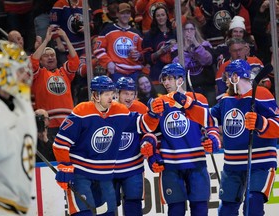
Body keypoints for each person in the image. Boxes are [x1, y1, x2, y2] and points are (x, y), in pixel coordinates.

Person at [52, 75, 165, 216]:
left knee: (108, 213)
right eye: (107, 95)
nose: (111, 98)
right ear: (95, 95)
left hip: (105, 175)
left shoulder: (119, 110)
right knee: (83, 213)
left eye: (112, 94)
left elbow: (143, 125)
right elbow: (61, 143)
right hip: (81, 172)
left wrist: (153, 114)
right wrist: (64, 166)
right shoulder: (81, 112)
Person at [140, 63, 221, 216]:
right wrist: (153, 155)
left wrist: (213, 140)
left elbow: (210, 126)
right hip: (171, 165)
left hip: (196, 163)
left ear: (180, 80)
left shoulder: (198, 99)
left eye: (170, 78)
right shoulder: (158, 103)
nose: (166, 82)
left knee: (200, 209)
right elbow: (152, 134)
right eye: (164, 79)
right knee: (175, 210)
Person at [209, 59, 278, 216]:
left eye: (227, 76)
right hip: (233, 163)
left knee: (252, 203)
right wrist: (189, 106)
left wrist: (261, 122)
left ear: (235, 76)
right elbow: (208, 118)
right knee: (226, 208)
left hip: (260, 161)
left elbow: (277, 124)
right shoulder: (226, 100)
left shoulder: (261, 93)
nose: (225, 81)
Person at [0, 40, 37, 215]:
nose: (25, 75)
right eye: (19, 70)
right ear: (0, 72)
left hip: (15, 208)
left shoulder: (17, 105)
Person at [30, 26, 79, 143]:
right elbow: (32, 62)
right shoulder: (39, 74)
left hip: (67, 124)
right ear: (41, 61)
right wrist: (46, 40)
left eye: (53, 55)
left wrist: (65, 37)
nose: (51, 57)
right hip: (48, 126)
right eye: (46, 55)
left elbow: (75, 61)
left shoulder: (64, 72)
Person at [113, 77, 148, 216]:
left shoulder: (141, 108)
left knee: (133, 204)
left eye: (131, 93)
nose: (128, 97)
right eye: (125, 93)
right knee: (107, 206)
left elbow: (148, 133)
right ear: (118, 93)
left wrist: (146, 142)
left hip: (133, 167)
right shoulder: (108, 109)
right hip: (110, 169)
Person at [94, 2, 144, 82]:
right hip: (116, 72)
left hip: (134, 72)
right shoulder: (108, 30)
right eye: (122, 13)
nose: (125, 16)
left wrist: (139, 55)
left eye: (127, 13)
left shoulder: (136, 33)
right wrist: (108, 62)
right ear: (117, 14)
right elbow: (98, 49)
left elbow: (143, 53)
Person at [172, 20, 216, 107]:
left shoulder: (205, 45)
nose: (189, 32)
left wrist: (196, 45)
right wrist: (185, 49)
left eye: (191, 29)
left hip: (206, 86)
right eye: (186, 29)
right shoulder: (176, 49)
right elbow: (178, 66)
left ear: (196, 31)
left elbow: (208, 60)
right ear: (183, 32)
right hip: (188, 88)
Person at [142, 5, 177, 94]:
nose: (161, 18)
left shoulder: (174, 33)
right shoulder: (149, 35)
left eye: (163, 15)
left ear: (167, 16)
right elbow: (146, 58)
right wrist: (160, 52)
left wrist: (175, 45)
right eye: (158, 16)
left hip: (174, 73)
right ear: (155, 18)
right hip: (157, 75)